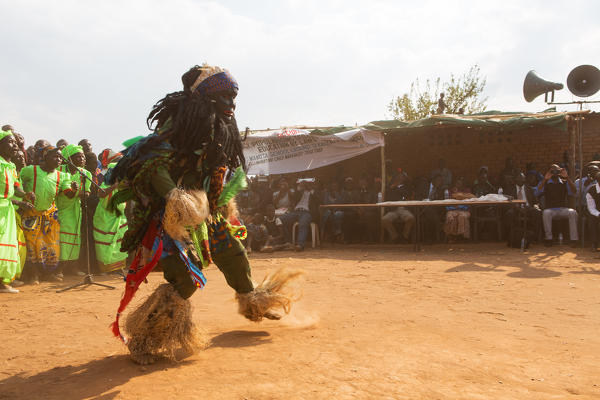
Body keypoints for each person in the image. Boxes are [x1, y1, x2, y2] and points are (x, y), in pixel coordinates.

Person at [105, 64, 302, 364]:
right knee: (185, 279)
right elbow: (151, 163)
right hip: (168, 219)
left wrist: (217, 202)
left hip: (204, 212)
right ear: (206, 98)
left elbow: (216, 170)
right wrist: (173, 195)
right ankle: (145, 339)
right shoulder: (179, 125)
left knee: (233, 253)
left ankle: (253, 304)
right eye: (225, 97)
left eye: (234, 98)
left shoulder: (218, 130)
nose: (232, 104)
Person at [19, 146, 77, 283]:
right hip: (31, 214)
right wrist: (23, 196)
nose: (58, 160)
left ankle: (48, 274)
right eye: (55, 156)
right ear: (45, 157)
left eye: (60, 157)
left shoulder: (61, 176)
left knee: (50, 246)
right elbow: (17, 182)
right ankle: (33, 276)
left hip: (49, 215)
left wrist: (74, 190)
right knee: (31, 246)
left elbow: (68, 194)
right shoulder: (30, 170)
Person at [0, 131, 33, 293]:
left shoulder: (11, 166)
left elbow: (16, 187)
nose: (14, 146)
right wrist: (18, 201)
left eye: (15, 143)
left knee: (8, 246)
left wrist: (25, 194)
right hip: (2, 208)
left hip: (7, 211)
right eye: (10, 142)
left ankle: (5, 280)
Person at [57, 144, 92, 274]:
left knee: (75, 238)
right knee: (63, 238)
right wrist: (75, 192)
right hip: (61, 208)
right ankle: (59, 269)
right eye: (78, 157)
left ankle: (72, 267)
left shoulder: (86, 174)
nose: (82, 159)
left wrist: (76, 193)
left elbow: (87, 193)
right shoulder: (60, 170)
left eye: (83, 156)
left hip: (76, 209)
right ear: (69, 158)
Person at [93, 163, 129, 272]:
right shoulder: (105, 184)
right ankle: (105, 269)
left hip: (119, 219)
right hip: (104, 219)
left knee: (119, 244)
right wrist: (114, 186)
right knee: (104, 246)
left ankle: (118, 268)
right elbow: (101, 194)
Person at [537, 164, 578, 246]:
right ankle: (549, 239)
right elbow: (537, 192)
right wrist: (545, 179)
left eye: (557, 171)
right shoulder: (546, 183)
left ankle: (574, 239)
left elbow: (574, 191)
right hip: (550, 209)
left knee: (573, 212)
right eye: (552, 171)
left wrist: (567, 177)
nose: (555, 173)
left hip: (562, 209)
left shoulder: (564, 182)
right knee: (546, 213)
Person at [280, 180, 319, 251]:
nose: (306, 186)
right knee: (280, 220)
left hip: (307, 212)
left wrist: (311, 191)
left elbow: (318, 200)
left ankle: (300, 245)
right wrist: (300, 188)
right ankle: (288, 241)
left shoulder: (315, 193)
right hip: (296, 212)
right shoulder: (299, 192)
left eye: (308, 184)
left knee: (303, 224)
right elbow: (293, 198)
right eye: (304, 184)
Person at [504, 172, 542, 243]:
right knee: (509, 213)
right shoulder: (510, 189)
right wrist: (516, 206)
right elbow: (507, 201)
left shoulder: (529, 188)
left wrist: (536, 205)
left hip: (527, 208)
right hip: (515, 208)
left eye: (522, 178)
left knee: (537, 212)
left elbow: (535, 201)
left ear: (525, 179)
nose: (521, 180)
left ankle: (534, 237)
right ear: (515, 179)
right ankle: (511, 237)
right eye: (519, 178)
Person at [381, 172, 415, 243]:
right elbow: (387, 197)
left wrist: (397, 188)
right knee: (384, 219)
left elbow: (408, 195)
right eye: (398, 176)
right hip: (393, 209)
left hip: (404, 208)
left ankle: (405, 237)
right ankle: (395, 237)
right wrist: (392, 188)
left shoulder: (407, 187)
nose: (399, 178)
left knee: (411, 218)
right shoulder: (390, 188)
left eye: (401, 177)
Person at [585, 171, 600, 251]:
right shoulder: (591, 190)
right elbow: (591, 208)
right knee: (592, 219)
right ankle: (594, 243)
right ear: (598, 181)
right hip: (596, 212)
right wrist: (599, 214)